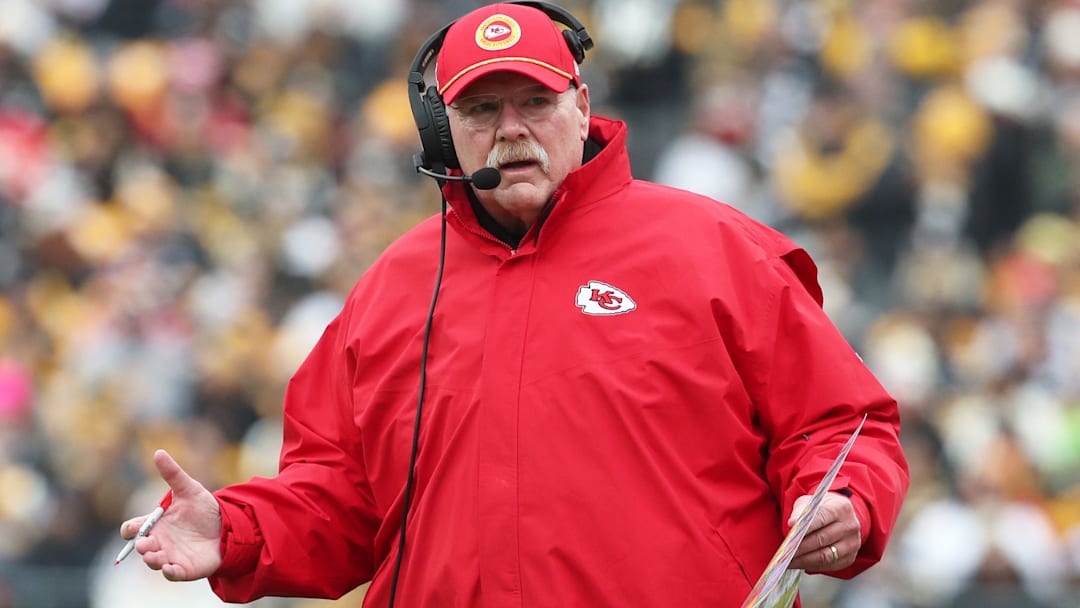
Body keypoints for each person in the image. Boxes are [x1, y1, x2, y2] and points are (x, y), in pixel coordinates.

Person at [120, 3, 910, 607]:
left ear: (580, 103)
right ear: (443, 129)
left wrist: (846, 501)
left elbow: (842, 425)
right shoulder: (391, 290)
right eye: (480, 109)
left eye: (533, 101)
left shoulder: (715, 249)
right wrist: (235, 530)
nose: (511, 130)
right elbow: (340, 498)